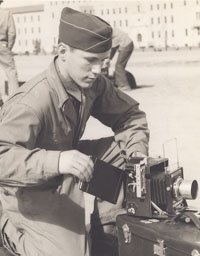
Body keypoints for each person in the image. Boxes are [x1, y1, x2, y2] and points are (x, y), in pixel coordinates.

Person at [0, 7, 149, 256]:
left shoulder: (91, 82)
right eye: (89, 60)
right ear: (62, 52)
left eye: (102, 61)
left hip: (65, 169)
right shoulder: (32, 100)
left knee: (126, 156)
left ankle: (108, 231)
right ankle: (8, 231)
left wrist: (137, 154)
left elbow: (130, 115)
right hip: (24, 189)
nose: (97, 70)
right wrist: (57, 160)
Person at [0, 0, 19, 101]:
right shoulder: (6, 14)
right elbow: (12, 33)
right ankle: (14, 100)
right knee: (11, 72)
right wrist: (8, 47)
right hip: (3, 45)